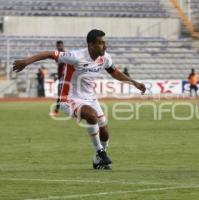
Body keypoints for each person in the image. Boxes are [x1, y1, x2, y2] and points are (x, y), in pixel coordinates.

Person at [13, 29, 146, 170]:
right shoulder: (76, 56)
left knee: (105, 131)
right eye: (101, 43)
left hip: (90, 98)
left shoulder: (105, 58)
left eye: (104, 42)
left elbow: (115, 73)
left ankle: (98, 158)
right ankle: (100, 152)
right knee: (91, 116)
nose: (105, 46)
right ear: (91, 45)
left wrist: (134, 82)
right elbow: (48, 54)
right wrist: (26, 62)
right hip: (69, 98)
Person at [50, 40, 66, 116]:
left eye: (60, 46)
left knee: (60, 94)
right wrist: (57, 75)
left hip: (64, 77)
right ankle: (58, 110)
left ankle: (57, 111)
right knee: (62, 94)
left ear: (62, 46)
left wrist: (58, 76)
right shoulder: (59, 55)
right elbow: (60, 67)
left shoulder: (64, 55)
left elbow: (63, 66)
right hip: (62, 76)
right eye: (57, 46)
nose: (58, 47)